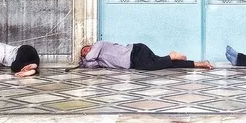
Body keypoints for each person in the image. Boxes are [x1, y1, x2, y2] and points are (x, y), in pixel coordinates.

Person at [79, 41, 214, 71]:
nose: (86, 52)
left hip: (135, 52)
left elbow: (90, 58)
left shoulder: (99, 44)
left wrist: (86, 57)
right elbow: (89, 64)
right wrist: (84, 61)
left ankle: (171, 55)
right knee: (164, 64)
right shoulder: (97, 59)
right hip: (132, 62)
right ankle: (199, 64)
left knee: (153, 65)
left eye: (86, 49)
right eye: (83, 53)